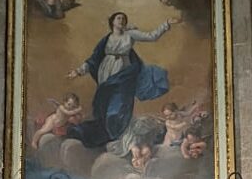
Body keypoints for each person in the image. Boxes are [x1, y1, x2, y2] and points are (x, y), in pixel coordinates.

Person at [66, 10, 176, 148]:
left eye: (124, 18)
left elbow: (151, 36)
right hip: (106, 73)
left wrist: (165, 24)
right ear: (112, 21)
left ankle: (115, 132)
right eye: (118, 18)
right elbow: (94, 59)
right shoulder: (106, 39)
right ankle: (103, 134)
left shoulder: (130, 34)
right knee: (104, 105)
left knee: (119, 106)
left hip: (125, 74)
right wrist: (78, 71)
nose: (121, 20)